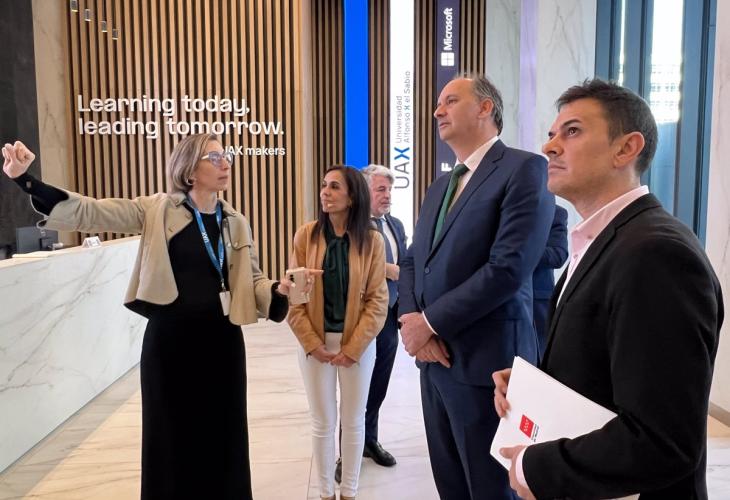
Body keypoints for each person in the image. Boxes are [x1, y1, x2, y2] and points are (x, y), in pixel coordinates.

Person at [1, 134, 314, 500]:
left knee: (223, 436)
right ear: (190, 170)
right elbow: (90, 211)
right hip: (170, 346)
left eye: (226, 156)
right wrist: (26, 180)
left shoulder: (236, 222)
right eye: (214, 157)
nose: (226, 163)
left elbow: (252, 279)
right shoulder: (156, 210)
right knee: (170, 439)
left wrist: (277, 290)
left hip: (222, 344)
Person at [494, 79, 723, 499]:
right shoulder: (606, 240)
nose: (549, 147)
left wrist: (535, 467)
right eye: (552, 134)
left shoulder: (656, 253)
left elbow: (663, 440)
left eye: (572, 131)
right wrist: (534, 389)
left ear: (626, 148)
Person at [398, 74, 554, 499]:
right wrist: (413, 323)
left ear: (486, 108)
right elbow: (412, 260)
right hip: (433, 363)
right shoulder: (440, 186)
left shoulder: (525, 169)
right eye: (438, 103)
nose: (437, 111)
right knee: (450, 484)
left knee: (491, 489)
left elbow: (508, 268)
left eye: (450, 101)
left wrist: (430, 323)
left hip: (488, 367)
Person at [287, 165, 389, 500]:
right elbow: (295, 299)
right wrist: (312, 343)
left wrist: (354, 348)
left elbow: (378, 301)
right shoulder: (306, 236)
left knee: (354, 420)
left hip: (358, 345)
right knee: (322, 421)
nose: (325, 192)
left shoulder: (372, 241)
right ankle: (325, 493)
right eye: (323, 185)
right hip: (316, 344)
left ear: (352, 196)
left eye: (334, 187)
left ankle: (349, 493)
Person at [334, 164, 407, 482]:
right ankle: (345, 452)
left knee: (378, 382)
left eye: (389, 190)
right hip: (361, 316)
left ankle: (368, 441)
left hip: (390, 316)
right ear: (364, 192)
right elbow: (349, 268)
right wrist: (387, 269)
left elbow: (406, 264)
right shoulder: (351, 226)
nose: (387, 195)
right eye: (381, 189)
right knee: (355, 388)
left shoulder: (396, 224)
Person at [532, 204, 568, 358]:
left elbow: (558, 255)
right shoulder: (500, 208)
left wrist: (521, 250)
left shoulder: (556, 212)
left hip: (537, 304)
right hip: (500, 299)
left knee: (539, 359)